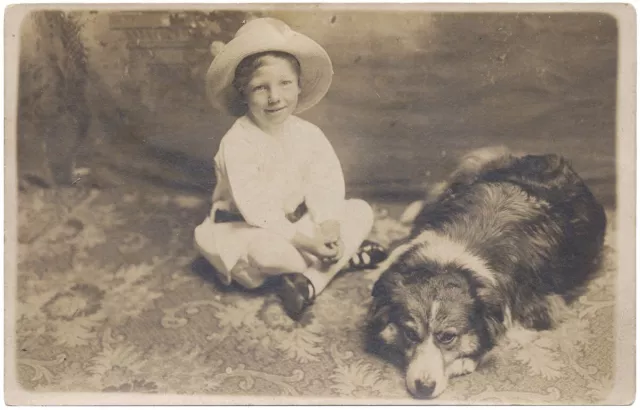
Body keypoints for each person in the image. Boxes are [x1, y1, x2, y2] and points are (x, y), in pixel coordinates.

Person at [195, 17, 388, 320]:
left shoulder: (307, 133)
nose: (275, 97)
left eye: (284, 83)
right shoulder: (237, 142)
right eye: (260, 88)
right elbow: (256, 208)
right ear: (243, 93)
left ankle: (310, 282)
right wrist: (311, 244)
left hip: (299, 225)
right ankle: (337, 263)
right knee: (272, 255)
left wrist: (328, 227)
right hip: (249, 228)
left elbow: (325, 182)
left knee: (360, 210)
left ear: (299, 85)